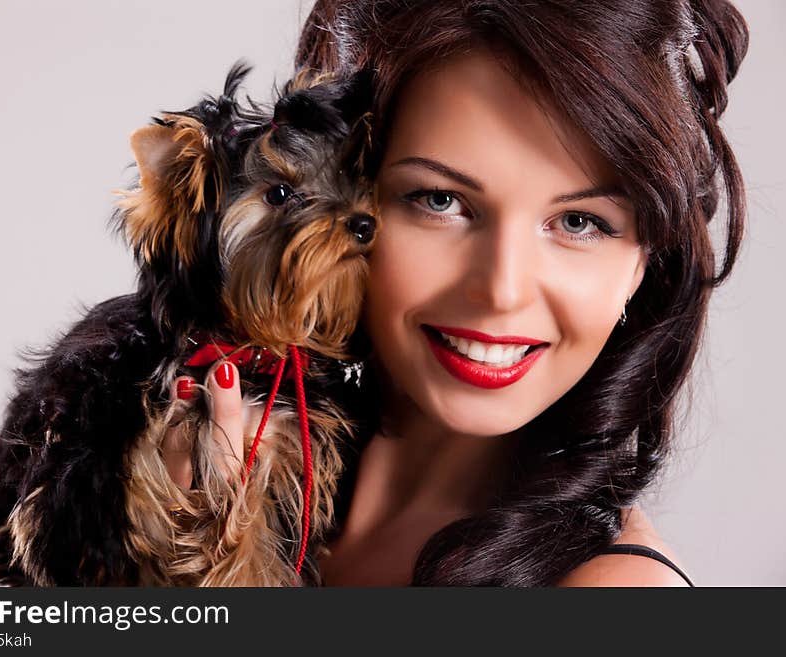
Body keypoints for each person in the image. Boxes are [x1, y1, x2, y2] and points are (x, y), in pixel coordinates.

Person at [164, 0, 749, 586]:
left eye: (580, 223)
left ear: (644, 263)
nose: (501, 290)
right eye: (440, 200)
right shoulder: (199, 476)